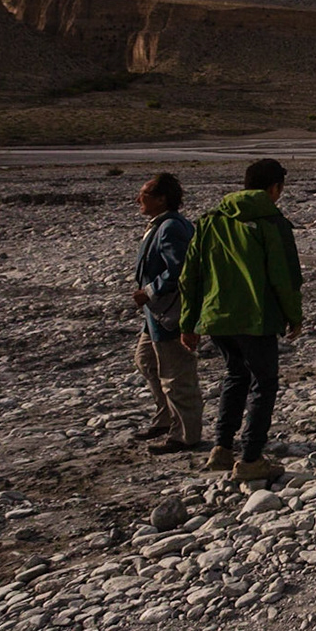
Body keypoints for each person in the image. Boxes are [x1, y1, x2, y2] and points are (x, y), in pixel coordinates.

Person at [179, 157, 304, 483]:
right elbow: (285, 277)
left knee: (236, 375)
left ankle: (221, 448)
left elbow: (190, 275)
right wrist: (294, 317)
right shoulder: (271, 223)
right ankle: (250, 457)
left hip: (216, 318)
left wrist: (188, 321)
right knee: (264, 383)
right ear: (276, 188)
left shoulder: (210, 221)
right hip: (255, 319)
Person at [131, 172, 202, 454]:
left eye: (144, 195)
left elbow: (181, 269)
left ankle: (186, 435)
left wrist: (149, 291)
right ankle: (166, 418)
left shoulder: (171, 227)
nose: (138, 200)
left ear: (162, 199)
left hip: (170, 312)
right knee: (146, 361)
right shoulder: (162, 225)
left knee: (176, 374)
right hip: (157, 313)